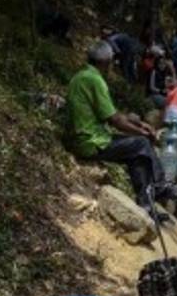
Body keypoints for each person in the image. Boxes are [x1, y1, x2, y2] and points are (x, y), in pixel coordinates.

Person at [66, 40, 166, 209]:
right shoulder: (94, 80)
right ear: (105, 62)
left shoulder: (81, 76)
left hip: (85, 137)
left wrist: (141, 125)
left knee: (138, 153)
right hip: (90, 141)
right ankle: (160, 186)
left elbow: (112, 113)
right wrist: (144, 134)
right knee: (141, 143)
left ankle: (146, 203)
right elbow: (115, 121)